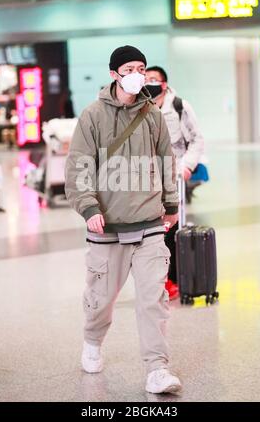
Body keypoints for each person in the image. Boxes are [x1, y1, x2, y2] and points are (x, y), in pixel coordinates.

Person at [65, 45, 182, 394]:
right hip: (107, 226)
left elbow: (166, 160)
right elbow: (78, 166)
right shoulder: (92, 116)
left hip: (148, 222)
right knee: (101, 299)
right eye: (129, 68)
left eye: (141, 68)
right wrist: (88, 208)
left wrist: (171, 204)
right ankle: (92, 341)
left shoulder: (153, 114)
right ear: (114, 73)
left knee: (153, 299)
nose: (137, 74)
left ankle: (157, 369)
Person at [145, 66, 204, 300]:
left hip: (175, 175)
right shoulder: (141, 107)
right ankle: (157, 280)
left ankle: (175, 280)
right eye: (145, 78)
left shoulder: (179, 106)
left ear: (164, 84)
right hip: (148, 179)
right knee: (151, 230)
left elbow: (197, 138)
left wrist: (187, 165)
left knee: (171, 228)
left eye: (153, 79)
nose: (148, 82)